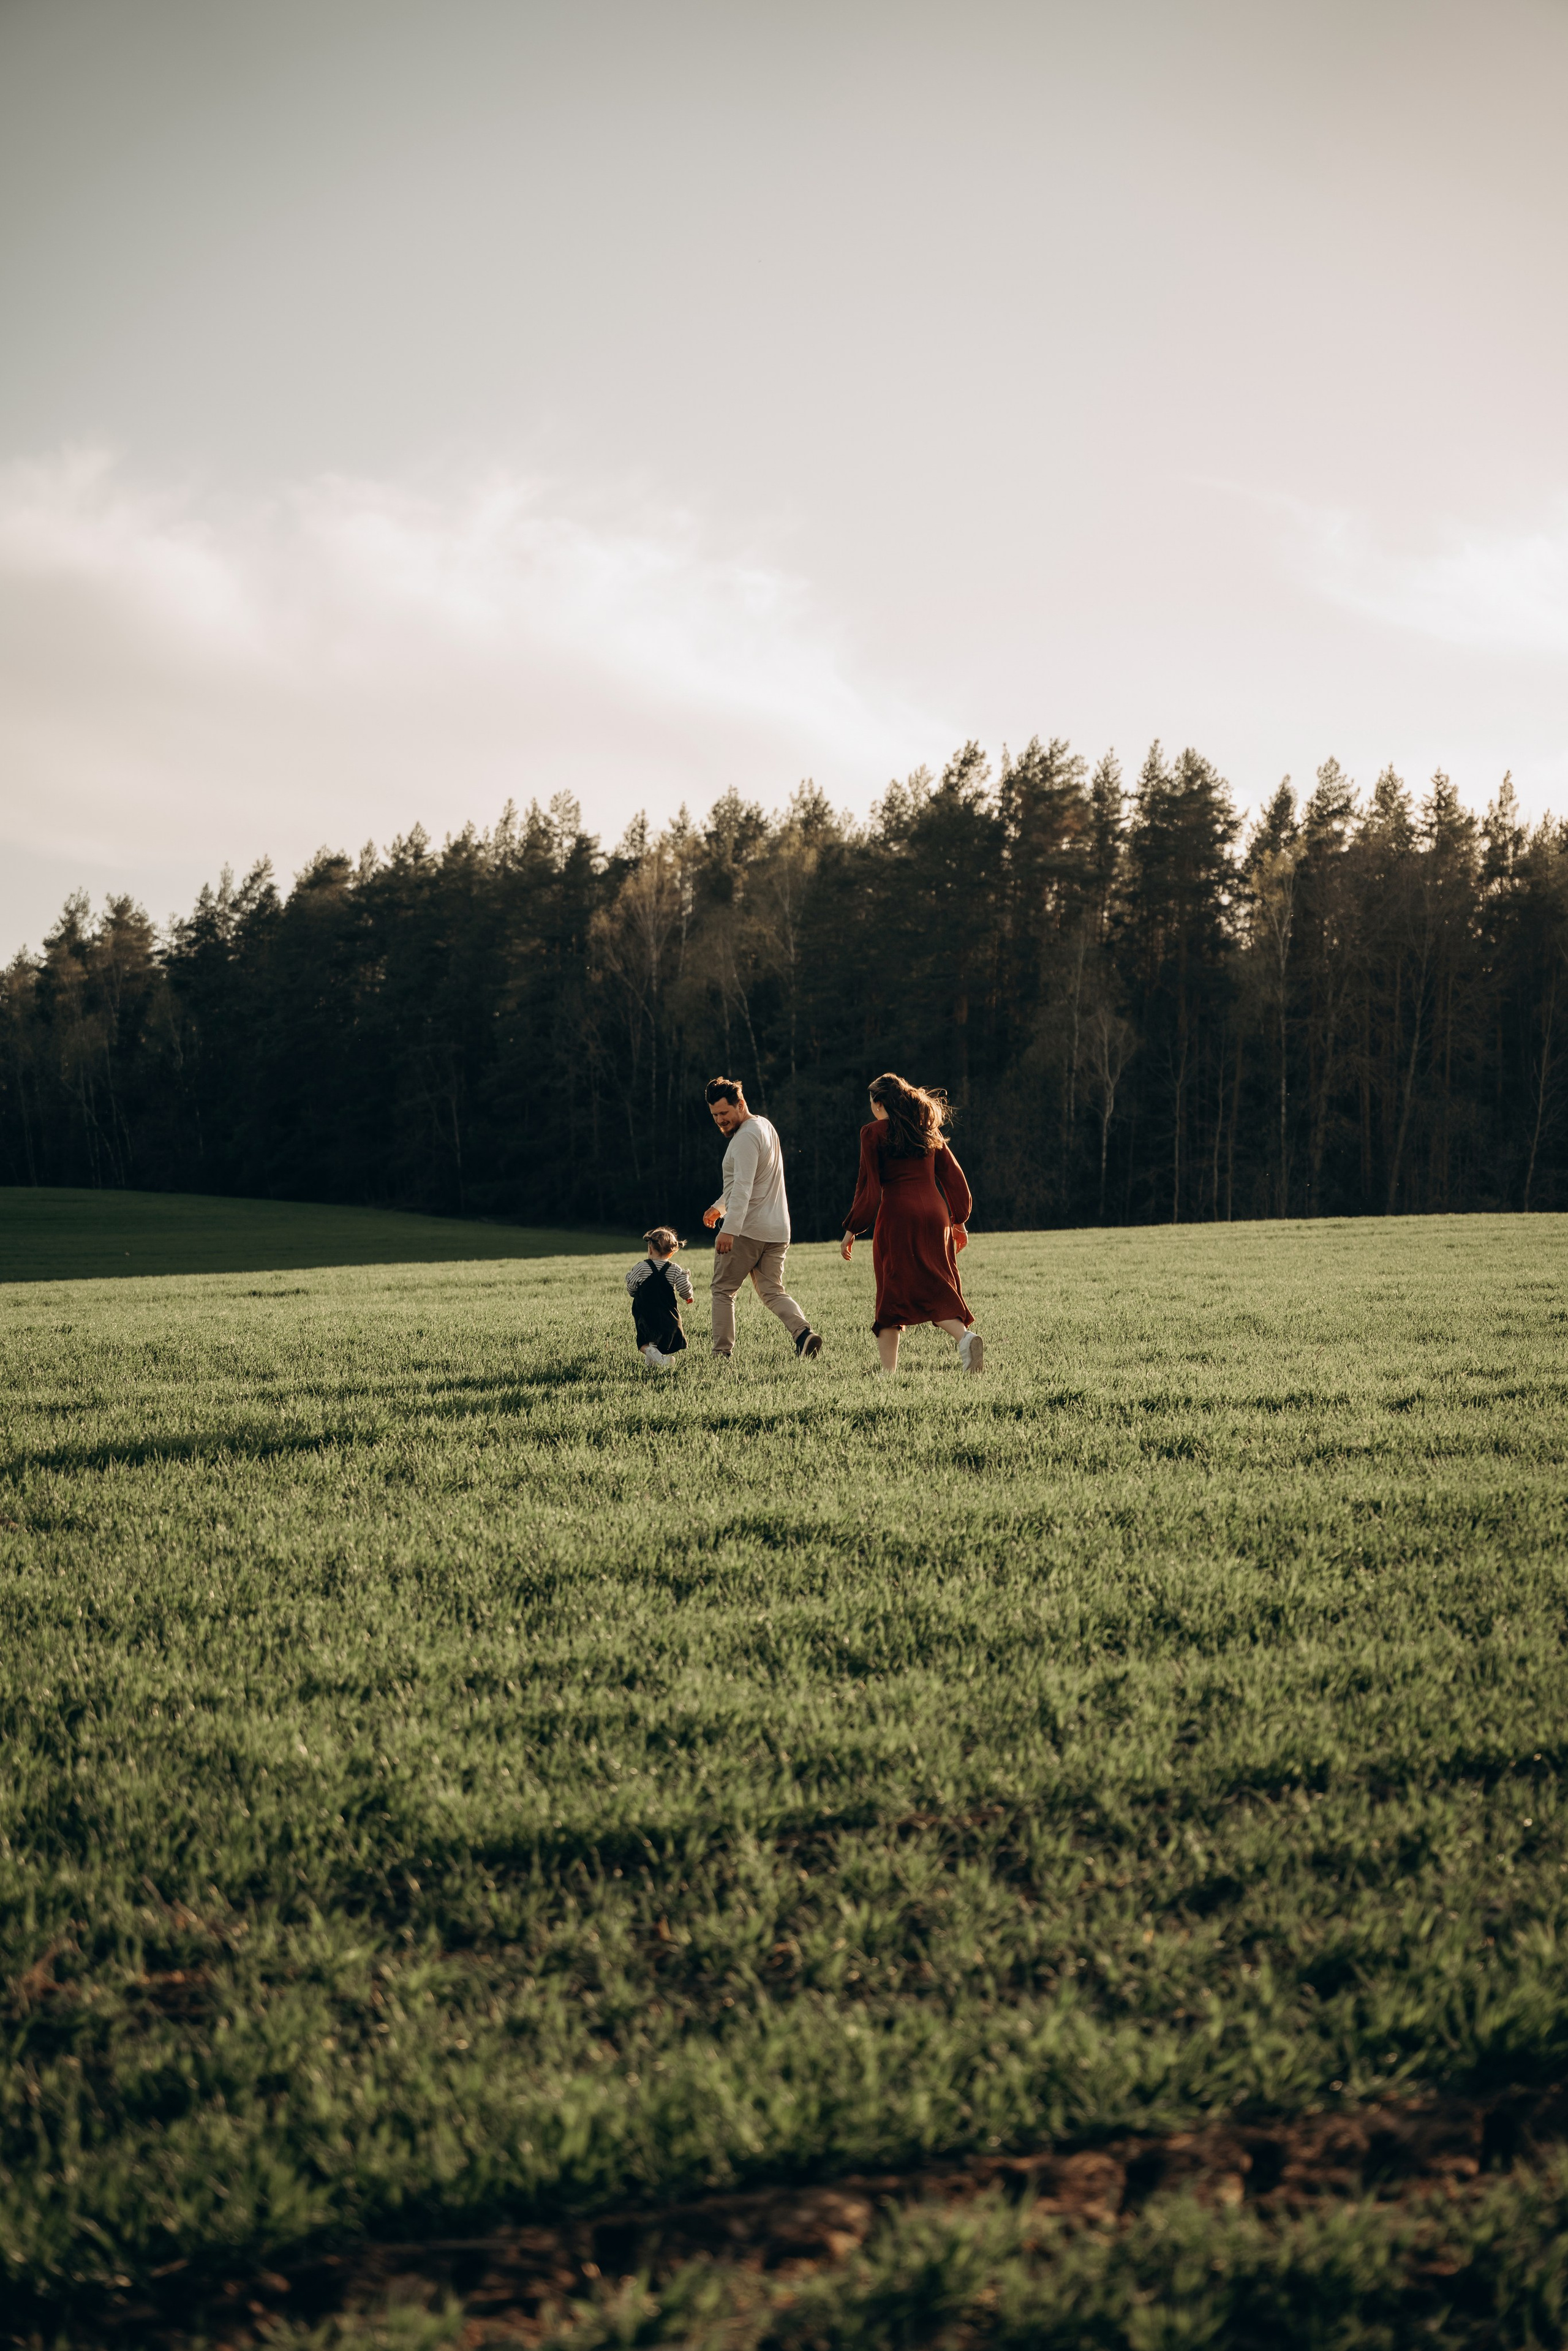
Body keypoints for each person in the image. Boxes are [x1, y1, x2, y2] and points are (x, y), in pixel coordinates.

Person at [840, 1072, 984, 1374]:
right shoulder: (926, 1129)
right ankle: (965, 1338)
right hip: (936, 1214)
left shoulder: (873, 1133)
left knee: (891, 1292)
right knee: (938, 1285)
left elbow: (868, 1185)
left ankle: (888, 1372)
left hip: (898, 1216)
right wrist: (958, 1221)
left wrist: (853, 1228)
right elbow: (954, 1176)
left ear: (879, 1103)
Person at [702, 1076, 823, 1362]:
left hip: (747, 1230)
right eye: (715, 1115)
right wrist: (720, 1206)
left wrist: (728, 1229)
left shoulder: (744, 1138)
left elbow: (743, 1188)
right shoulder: (764, 1126)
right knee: (772, 1291)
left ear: (740, 1104)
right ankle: (804, 1335)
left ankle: (721, 1355)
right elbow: (748, 1183)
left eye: (724, 1113)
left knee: (723, 1290)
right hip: (777, 1229)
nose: (720, 1120)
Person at [625, 1226, 693, 1372]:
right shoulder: (674, 1269)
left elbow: (631, 1286)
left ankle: (661, 1361)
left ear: (650, 1248)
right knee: (659, 1340)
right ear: (672, 1252)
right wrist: (688, 1297)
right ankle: (652, 1365)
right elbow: (684, 1287)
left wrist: (633, 1293)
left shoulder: (641, 1267)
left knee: (644, 1342)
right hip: (667, 1313)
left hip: (644, 1312)